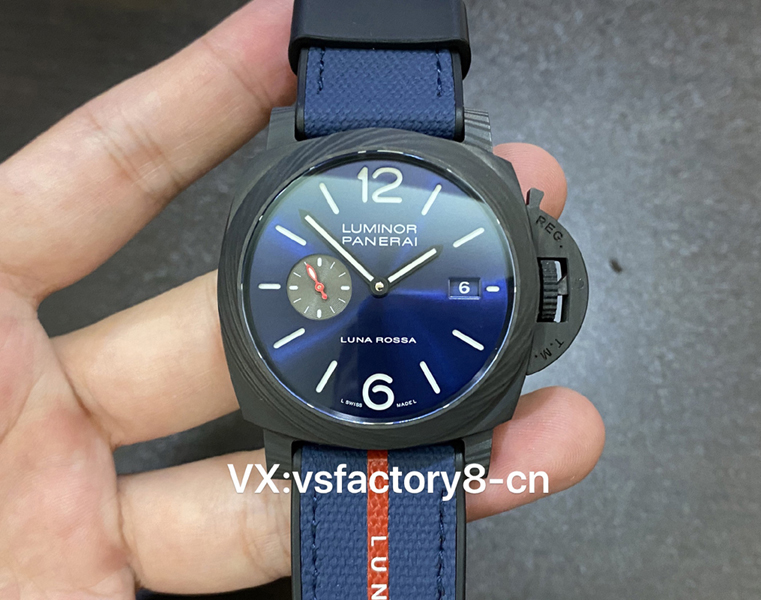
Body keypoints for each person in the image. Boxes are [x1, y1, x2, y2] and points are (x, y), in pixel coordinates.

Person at [0, 0, 605, 595]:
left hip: (394, 416)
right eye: (374, 287)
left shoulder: (306, 152)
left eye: (385, 287)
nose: (377, 289)